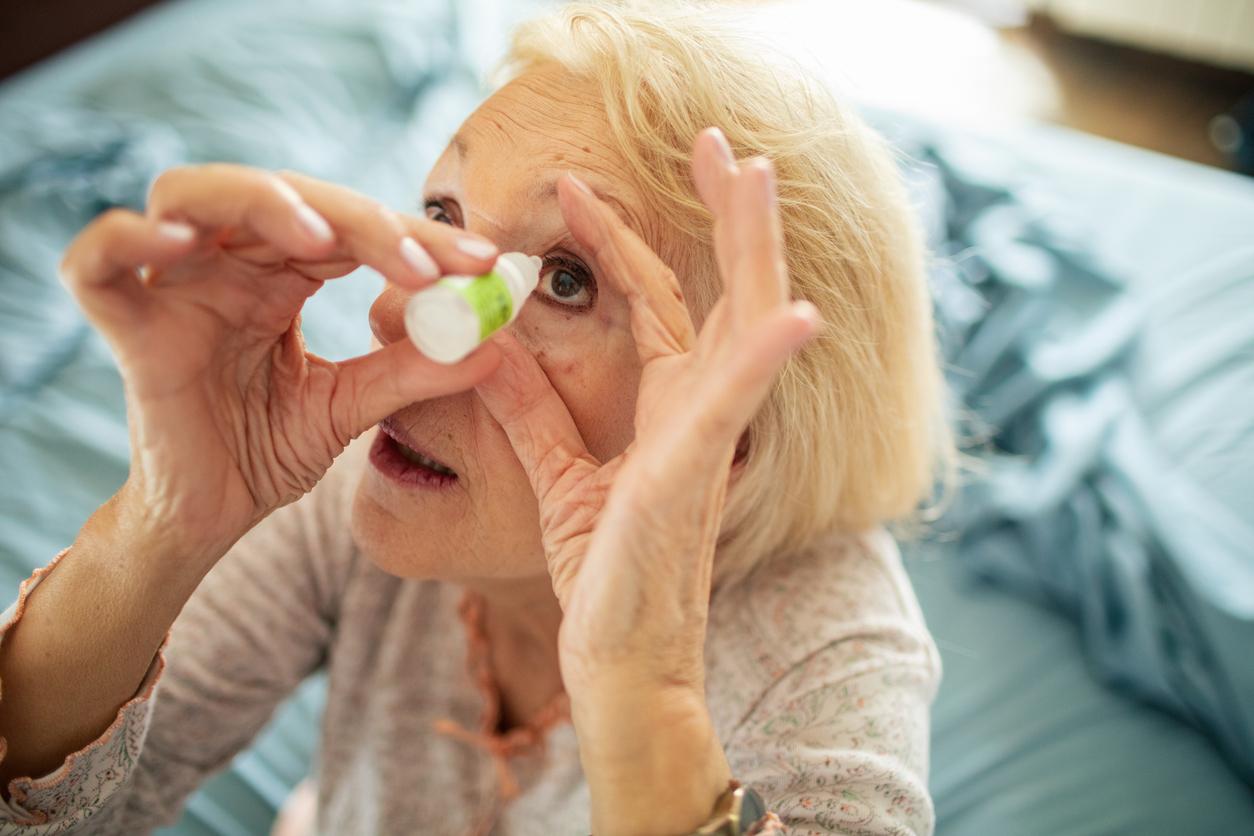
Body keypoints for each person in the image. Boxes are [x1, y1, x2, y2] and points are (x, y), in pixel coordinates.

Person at [0, 3, 952, 833]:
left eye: (566, 279)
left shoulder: (829, 663)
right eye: (444, 215)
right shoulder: (365, 482)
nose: (398, 318)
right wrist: (164, 524)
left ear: (732, 440)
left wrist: (640, 694)